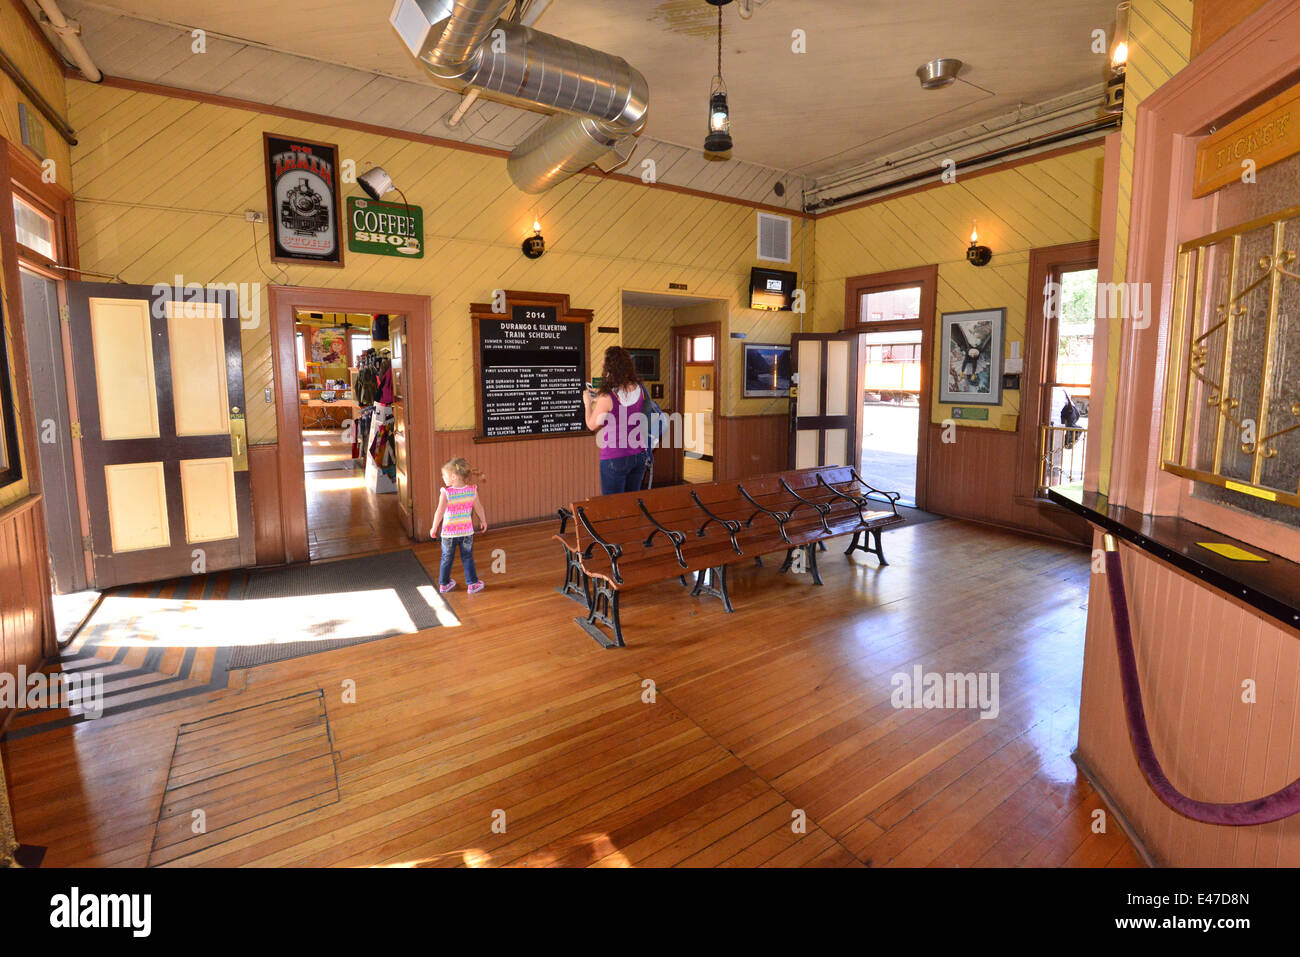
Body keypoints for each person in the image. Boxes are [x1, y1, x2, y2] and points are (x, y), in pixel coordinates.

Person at [583, 346, 648, 495]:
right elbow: (624, 403)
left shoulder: (608, 397)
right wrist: (600, 396)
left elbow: (591, 425)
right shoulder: (639, 389)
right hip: (639, 455)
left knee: (613, 507)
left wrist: (588, 404)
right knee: (631, 504)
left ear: (609, 368)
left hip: (616, 456)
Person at [431, 457, 488, 594]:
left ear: (454, 477)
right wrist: (483, 521)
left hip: (448, 534)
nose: (443, 478)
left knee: (446, 558)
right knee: (467, 557)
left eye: (444, 475)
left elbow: (439, 511)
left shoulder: (446, 493)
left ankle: (444, 584)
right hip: (466, 533)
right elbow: (479, 508)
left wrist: (434, 527)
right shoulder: (472, 490)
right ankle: (472, 584)